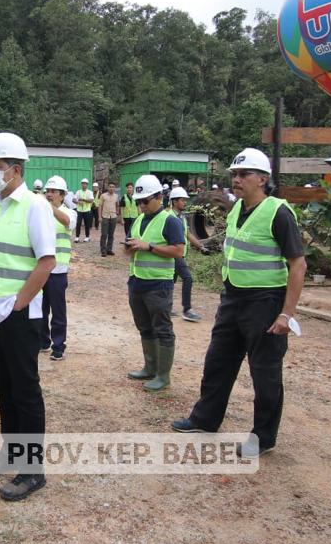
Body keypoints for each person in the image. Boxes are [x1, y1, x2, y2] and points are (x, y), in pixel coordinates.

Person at [171, 148, 306, 460]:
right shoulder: (236, 210)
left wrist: (286, 313)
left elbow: (297, 266)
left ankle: (263, 437)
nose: (236, 179)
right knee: (218, 361)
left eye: (243, 174)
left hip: (265, 302)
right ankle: (205, 418)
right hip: (233, 298)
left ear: (262, 178)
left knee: (265, 372)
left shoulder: (278, 213)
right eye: (234, 174)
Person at [0, 132, 55, 501]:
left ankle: (32, 469)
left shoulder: (35, 206)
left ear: (16, 169)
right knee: (2, 388)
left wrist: (19, 304)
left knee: (25, 391)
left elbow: (47, 261)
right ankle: (10, 451)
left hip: (17, 315)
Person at [125, 175, 185, 391]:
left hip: (158, 286)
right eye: (138, 202)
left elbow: (179, 251)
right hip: (137, 282)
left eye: (145, 201)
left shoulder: (170, 221)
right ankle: (150, 368)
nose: (141, 206)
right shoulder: (139, 220)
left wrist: (148, 246)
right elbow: (133, 246)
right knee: (144, 327)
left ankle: (163, 375)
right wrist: (130, 247)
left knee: (162, 329)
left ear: (159, 197)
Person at [40, 175, 76, 360]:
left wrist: (49, 208)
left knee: (58, 310)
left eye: (54, 191)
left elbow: (67, 222)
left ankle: (58, 345)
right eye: (48, 191)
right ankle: (43, 341)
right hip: (40, 270)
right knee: (40, 308)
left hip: (58, 270)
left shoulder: (69, 212)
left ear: (62, 195)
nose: (49, 194)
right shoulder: (40, 212)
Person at [168, 186, 209, 322]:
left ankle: (166, 308)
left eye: (185, 200)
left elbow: (187, 233)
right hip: (174, 254)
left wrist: (200, 246)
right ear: (174, 201)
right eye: (182, 200)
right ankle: (187, 309)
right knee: (188, 278)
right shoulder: (169, 217)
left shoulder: (181, 217)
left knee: (170, 281)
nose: (185, 202)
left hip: (180, 254)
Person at [97, 181, 121, 257]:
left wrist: (117, 212)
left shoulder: (116, 196)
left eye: (113, 187)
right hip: (105, 217)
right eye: (110, 187)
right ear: (108, 188)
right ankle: (103, 250)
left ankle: (109, 249)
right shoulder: (103, 196)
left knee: (111, 234)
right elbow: (100, 206)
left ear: (115, 188)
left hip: (113, 217)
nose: (111, 188)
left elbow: (117, 205)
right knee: (104, 234)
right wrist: (99, 217)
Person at [73, 178, 94, 243]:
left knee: (87, 224)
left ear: (87, 185)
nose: (84, 185)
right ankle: (77, 237)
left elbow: (91, 200)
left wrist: (83, 200)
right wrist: (77, 202)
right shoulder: (78, 192)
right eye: (83, 184)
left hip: (87, 210)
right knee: (78, 223)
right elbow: (73, 200)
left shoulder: (90, 192)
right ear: (81, 184)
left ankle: (87, 237)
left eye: (85, 184)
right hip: (79, 210)